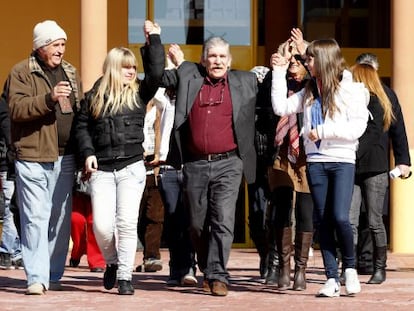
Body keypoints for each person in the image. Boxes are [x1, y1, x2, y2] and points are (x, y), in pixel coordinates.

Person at [146, 25, 258, 296]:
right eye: (212, 56)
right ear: (203, 60)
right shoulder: (187, 75)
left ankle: (218, 274)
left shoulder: (246, 81)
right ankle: (210, 267)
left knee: (223, 219)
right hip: (194, 163)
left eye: (222, 57)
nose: (217, 61)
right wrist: (155, 43)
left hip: (229, 163)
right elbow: (156, 76)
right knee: (196, 224)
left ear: (229, 61)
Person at [271, 38, 369, 297]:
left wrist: (323, 130)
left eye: (311, 59)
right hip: (316, 161)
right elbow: (280, 106)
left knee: (339, 216)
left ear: (323, 60)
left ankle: (349, 267)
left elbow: (356, 128)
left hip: (342, 160)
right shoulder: (308, 92)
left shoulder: (352, 89)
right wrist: (279, 72)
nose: (306, 63)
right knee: (322, 220)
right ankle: (332, 278)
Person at [74, 23, 164, 295]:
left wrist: (154, 41)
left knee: (126, 223)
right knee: (101, 226)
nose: (131, 71)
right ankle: (111, 262)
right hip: (102, 170)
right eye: (125, 67)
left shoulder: (138, 93)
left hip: (132, 167)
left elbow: (157, 73)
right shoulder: (94, 97)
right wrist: (88, 153)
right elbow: (81, 128)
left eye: (133, 67)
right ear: (113, 67)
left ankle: (125, 276)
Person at [6, 20, 83, 295]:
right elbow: (17, 109)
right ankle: (36, 278)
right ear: (40, 47)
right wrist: (49, 98)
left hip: (66, 158)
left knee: (60, 222)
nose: (61, 50)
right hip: (32, 155)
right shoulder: (21, 72)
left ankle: (51, 273)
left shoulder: (71, 72)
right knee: (35, 218)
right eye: (55, 44)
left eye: (63, 44)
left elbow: (79, 112)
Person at [349, 54, 411, 285]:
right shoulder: (351, 95)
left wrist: (403, 160)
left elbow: (398, 130)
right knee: (350, 218)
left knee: (375, 220)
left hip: (374, 166)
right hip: (354, 166)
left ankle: (379, 267)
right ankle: (350, 267)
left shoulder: (386, 95)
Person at [267, 33, 314, 291]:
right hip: (281, 155)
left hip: (307, 156)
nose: (294, 61)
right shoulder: (274, 82)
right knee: (282, 210)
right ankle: (283, 268)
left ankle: (301, 270)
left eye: (299, 58)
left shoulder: (314, 86)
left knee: (305, 212)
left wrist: (306, 52)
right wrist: (279, 66)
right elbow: (269, 107)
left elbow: (325, 77)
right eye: (291, 57)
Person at [152, 83, 197, 287]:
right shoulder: (165, 101)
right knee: (172, 219)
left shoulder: (195, 101)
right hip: (168, 168)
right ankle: (175, 267)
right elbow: (155, 83)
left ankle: (189, 267)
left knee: (190, 220)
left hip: (191, 166)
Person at [136, 97, 165, 273]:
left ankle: (152, 257)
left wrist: (159, 155)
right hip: (133, 169)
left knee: (155, 215)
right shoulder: (132, 108)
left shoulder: (160, 110)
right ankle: (122, 259)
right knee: (135, 217)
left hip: (155, 171)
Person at [0, 90, 23, 270]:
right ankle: (8, 251)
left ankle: (12, 251)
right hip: (10, 163)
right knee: (13, 208)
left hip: (10, 163)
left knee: (13, 207)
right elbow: (9, 135)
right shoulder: (7, 108)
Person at [69, 172, 105, 273]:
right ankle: (78, 250)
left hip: (99, 179)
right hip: (76, 181)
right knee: (76, 220)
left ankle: (97, 261)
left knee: (94, 222)